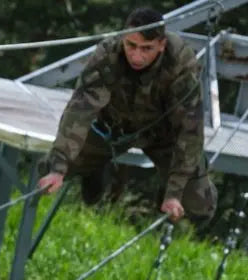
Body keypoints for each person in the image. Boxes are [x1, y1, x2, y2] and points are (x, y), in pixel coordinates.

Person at [37, 6, 217, 222]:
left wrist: (174, 192)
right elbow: (80, 109)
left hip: (162, 136)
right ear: (123, 38)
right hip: (111, 130)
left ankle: (166, 187)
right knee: (47, 169)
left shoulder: (180, 63)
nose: (137, 55)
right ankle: (94, 167)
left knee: (201, 205)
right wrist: (59, 166)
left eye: (146, 48)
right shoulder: (108, 54)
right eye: (131, 45)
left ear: (161, 45)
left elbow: (189, 130)